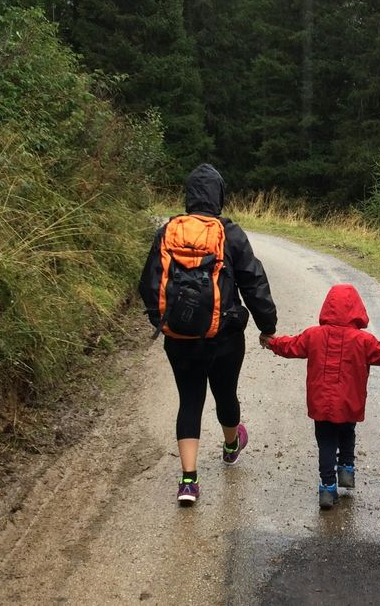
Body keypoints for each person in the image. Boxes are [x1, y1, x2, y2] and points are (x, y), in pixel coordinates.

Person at [138, 164, 278, 506]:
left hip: (179, 339)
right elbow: (253, 282)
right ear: (219, 196)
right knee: (225, 394)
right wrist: (267, 326)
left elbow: (148, 284)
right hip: (225, 337)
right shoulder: (230, 233)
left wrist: (164, 320)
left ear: (189, 196)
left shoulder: (168, 231)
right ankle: (231, 446)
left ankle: (188, 480)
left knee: (189, 400)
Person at [265, 284, 380, 510]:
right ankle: (347, 469)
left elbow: (290, 346)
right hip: (350, 402)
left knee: (326, 442)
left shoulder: (313, 335)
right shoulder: (364, 341)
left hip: (321, 403)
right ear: (357, 310)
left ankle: (327, 487)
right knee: (347, 432)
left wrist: (271, 341)